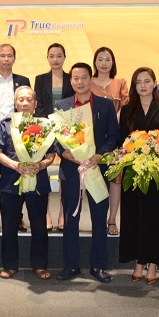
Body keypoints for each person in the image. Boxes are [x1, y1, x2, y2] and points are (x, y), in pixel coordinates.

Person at [56, 62, 120, 283]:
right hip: (71, 169)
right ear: (70, 81)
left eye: (84, 77)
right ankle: (71, 266)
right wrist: (62, 152)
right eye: (76, 78)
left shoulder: (105, 105)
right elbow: (55, 137)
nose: (80, 82)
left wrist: (99, 156)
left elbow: (113, 137)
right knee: (70, 219)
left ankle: (98, 265)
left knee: (99, 218)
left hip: (96, 169)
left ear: (90, 79)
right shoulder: (62, 106)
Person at [117, 68, 159, 284]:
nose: (143, 85)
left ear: (154, 83)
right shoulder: (127, 109)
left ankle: (154, 263)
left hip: (157, 174)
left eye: (147, 81)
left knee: (156, 218)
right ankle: (139, 262)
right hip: (134, 172)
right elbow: (122, 141)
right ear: (134, 86)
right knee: (136, 218)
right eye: (138, 82)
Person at [0, 86, 55, 279]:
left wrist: (42, 164)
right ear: (15, 102)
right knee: (9, 226)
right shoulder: (6, 125)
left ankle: (40, 265)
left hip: (38, 181)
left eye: (29, 99)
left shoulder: (44, 125)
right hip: (11, 181)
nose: (25, 103)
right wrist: (15, 165)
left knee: (39, 226)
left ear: (35, 103)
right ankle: (10, 265)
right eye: (21, 99)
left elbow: (51, 155)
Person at [0, 44, 30, 231]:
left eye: (10, 56)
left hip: (16, 136)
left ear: (14, 58)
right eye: (2, 55)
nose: (6, 59)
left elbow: (27, 106)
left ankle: (17, 218)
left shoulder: (23, 80)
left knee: (16, 178)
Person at [34, 43, 73, 232]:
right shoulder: (40, 79)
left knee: (65, 172)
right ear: (47, 58)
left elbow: (73, 105)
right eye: (52, 56)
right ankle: (47, 213)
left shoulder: (71, 78)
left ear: (64, 57)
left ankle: (63, 213)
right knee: (43, 169)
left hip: (67, 129)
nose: (55, 59)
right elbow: (39, 105)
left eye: (59, 56)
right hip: (46, 128)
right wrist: (48, 126)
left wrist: (63, 126)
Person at [90, 46, 129, 236]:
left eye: (107, 59)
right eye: (100, 59)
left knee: (115, 178)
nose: (104, 63)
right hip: (91, 140)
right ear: (95, 62)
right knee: (90, 178)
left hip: (115, 138)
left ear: (113, 62)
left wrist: (114, 124)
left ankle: (112, 220)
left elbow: (125, 108)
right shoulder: (87, 82)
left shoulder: (120, 83)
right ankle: (95, 219)